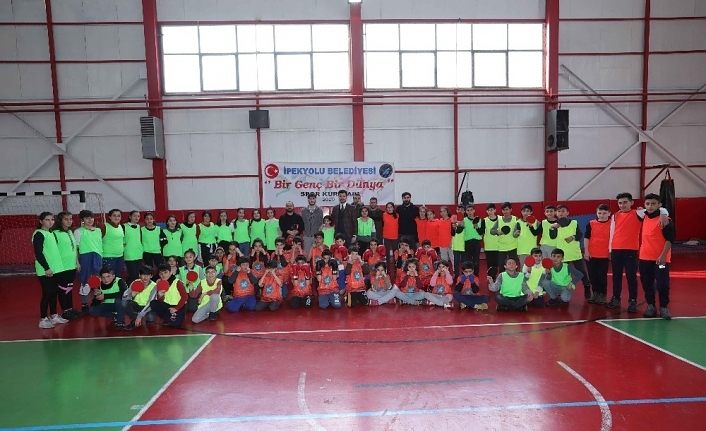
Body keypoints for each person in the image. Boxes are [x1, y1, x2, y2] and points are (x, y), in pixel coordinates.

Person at [607, 192, 668, 312]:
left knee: (631, 277)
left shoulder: (639, 213)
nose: (622, 205)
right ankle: (616, 298)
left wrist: (664, 213)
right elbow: (612, 233)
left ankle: (632, 300)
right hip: (616, 250)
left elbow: (657, 209)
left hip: (631, 251)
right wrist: (610, 250)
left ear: (631, 202)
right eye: (620, 203)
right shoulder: (615, 215)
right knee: (616, 276)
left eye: (625, 202)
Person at [639, 193, 674, 319]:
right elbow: (634, 211)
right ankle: (651, 306)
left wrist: (663, 256)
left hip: (660, 260)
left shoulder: (665, 220)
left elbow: (669, 240)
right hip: (644, 258)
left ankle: (664, 307)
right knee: (647, 283)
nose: (650, 206)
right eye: (647, 204)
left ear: (659, 205)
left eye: (653, 204)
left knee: (662, 284)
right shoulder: (643, 216)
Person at [33, 212, 67, 329]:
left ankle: (54, 315)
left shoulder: (51, 233)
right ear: (41, 221)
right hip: (46, 270)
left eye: (52, 219)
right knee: (47, 294)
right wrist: (46, 268)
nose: (50, 222)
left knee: (54, 293)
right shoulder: (39, 234)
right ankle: (43, 319)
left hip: (55, 269)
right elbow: (38, 253)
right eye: (47, 220)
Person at [554, 204, 591, 300]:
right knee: (562, 275)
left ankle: (587, 286)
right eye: (559, 211)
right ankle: (562, 291)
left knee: (582, 272)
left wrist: (573, 237)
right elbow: (552, 237)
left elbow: (580, 235)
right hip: (562, 255)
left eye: (563, 211)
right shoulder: (555, 225)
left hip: (574, 253)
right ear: (556, 213)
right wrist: (552, 228)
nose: (561, 213)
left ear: (567, 213)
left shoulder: (574, 222)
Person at [52, 212, 79, 320]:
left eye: (70, 219)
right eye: (66, 219)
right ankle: (65, 311)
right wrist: (56, 265)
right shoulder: (55, 233)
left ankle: (70, 308)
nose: (69, 221)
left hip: (71, 266)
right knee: (63, 289)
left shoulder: (70, 231)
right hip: (62, 267)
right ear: (60, 220)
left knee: (69, 288)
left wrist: (77, 262)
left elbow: (74, 249)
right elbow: (53, 251)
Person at [75, 210, 102, 314]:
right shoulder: (78, 231)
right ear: (82, 220)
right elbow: (75, 249)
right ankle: (84, 304)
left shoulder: (98, 230)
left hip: (97, 257)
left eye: (91, 217)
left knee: (96, 281)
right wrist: (77, 262)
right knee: (85, 282)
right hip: (85, 258)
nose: (90, 220)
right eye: (87, 218)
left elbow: (99, 245)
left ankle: (96, 302)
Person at [584, 204, 611, 305]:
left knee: (602, 276)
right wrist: (586, 251)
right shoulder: (591, 223)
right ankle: (595, 293)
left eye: (604, 213)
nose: (602, 215)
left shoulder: (612, 224)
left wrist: (611, 252)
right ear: (596, 213)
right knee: (592, 276)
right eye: (599, 213)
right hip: (592, 255)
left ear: (609, 213)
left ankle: (602, 294)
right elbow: (586, 238)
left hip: (604, 255)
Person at [124, 265, 157, 329]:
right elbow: (124, 297)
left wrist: (140, 316)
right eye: (143, 275)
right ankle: (134, 318)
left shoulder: (154, 286)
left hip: (148, 307)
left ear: (151, 276)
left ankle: (139, 317)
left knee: (151, 318)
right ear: (139, 275)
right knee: (124, 303)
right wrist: (131, 295)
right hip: (136, 306)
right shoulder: (135, 282)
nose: (145, 277)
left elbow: (150, 303)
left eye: (148, 275)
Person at [491, 202, 519, 269]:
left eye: (507, 209)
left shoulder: (515, 219)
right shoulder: (499, 219)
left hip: (513, 246)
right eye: (503, 210)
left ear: (511, 209)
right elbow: (492, 231)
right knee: (501, 266)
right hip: (502, 247)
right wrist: (497, 232)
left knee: (514, 266)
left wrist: (516, 234)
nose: (505, 211)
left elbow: (517, 231)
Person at [102, 209, 125, 276]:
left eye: (118, 216)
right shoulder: (104, 226)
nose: (116, 217)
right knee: (108, 278)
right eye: (114, 215)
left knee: (117, 277)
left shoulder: (121, 226)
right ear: (110, 217)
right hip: (108, 257)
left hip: (120, 257)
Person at [123, 210, 143, 283]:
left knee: (138, 275)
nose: (137, 218)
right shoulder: (124, 226)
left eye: (138, 216)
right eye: (134, 216)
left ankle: (137, 288)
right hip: (129, 254)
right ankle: (129, 288)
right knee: (132, 275)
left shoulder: (139, 227)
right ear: (130, 217)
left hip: (139, 254)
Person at [462, 205, 482, 276]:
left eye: (471, 210)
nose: (470, 212)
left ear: (474, 210)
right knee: (467, 260)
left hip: (476, 242)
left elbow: (481, 232)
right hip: (467, 242)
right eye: (468, 210)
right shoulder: (464, 220)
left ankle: (476, 275)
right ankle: (467, 275)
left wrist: (476, 226)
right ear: (466, 211)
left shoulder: (479, 219)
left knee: (476, 260)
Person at [480, 203, 499, 278]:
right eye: (488, 210)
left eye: (491, 210)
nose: (490, 212)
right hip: (489, 246)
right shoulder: (484, 221)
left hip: (499, 246)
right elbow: (481, 233)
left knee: (497, 264)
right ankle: (491, 278)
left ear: (495, 210)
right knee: (490, 264)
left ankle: (497, 278)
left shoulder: (500, 219)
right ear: (486, 211)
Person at [382, 202, 399, 267]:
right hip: (386, 237)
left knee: (395, 253)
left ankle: (396, 266)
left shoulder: (397, 215)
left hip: (395, 237)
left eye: (391, 207)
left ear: (393, 208)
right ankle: (388, 267)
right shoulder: (383, 215)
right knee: (387, 254)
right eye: (388, 207)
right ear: (386, 208)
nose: (389, 208)